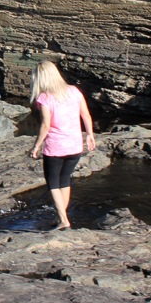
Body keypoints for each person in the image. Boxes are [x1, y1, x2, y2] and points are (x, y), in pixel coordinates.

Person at [29, 60, 96, 230]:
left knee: (53, 184)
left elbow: (45, 125)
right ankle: (62, 217)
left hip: (55, 148)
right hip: (74, 146)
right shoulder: (74, 91)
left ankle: (64, 220)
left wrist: (36, 146)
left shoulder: (44, 98)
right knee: (65, 181)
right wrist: (89, 135)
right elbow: (86, 115)